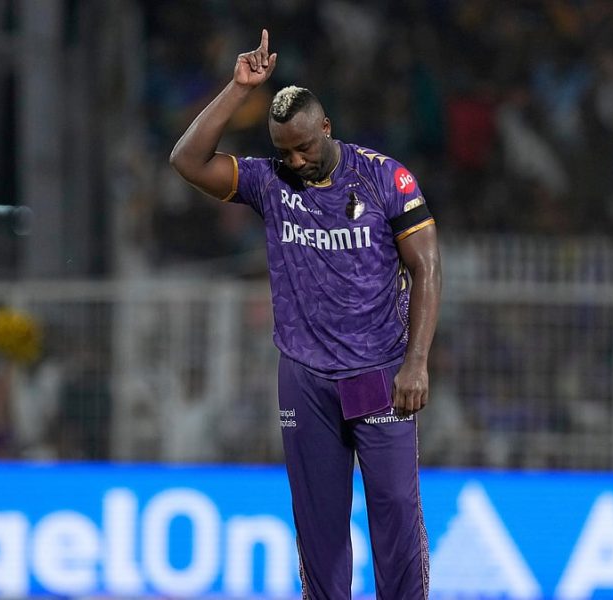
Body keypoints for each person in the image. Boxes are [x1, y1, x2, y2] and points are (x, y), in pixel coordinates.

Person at [169, 30, 440, 599]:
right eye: (283, 150)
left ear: (326, 129)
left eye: (303, 149)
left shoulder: (385, 179)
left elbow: (428, 268)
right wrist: (238, 90)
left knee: (393, 510)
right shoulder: (269, 183)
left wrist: (416, 363)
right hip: (305, 378)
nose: (295, 160)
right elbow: (187, 160)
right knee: (318, 524)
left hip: (378, 373)